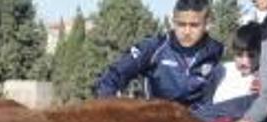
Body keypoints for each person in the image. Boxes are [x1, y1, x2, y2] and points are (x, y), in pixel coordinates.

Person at [94, 0, 225, 109]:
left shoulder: (216, 51)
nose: (187, 31)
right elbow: (113, 75)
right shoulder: (154, 47)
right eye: (181, 24)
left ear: (207, 24)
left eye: (194, 25)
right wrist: (108, 110)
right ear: (173, 21)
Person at [194, 22, 261, 122]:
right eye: (239, 55)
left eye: (251, 56)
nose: (244, 61)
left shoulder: (260, 77)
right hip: (212, 117)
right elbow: (206, 95)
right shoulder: (223, 69)